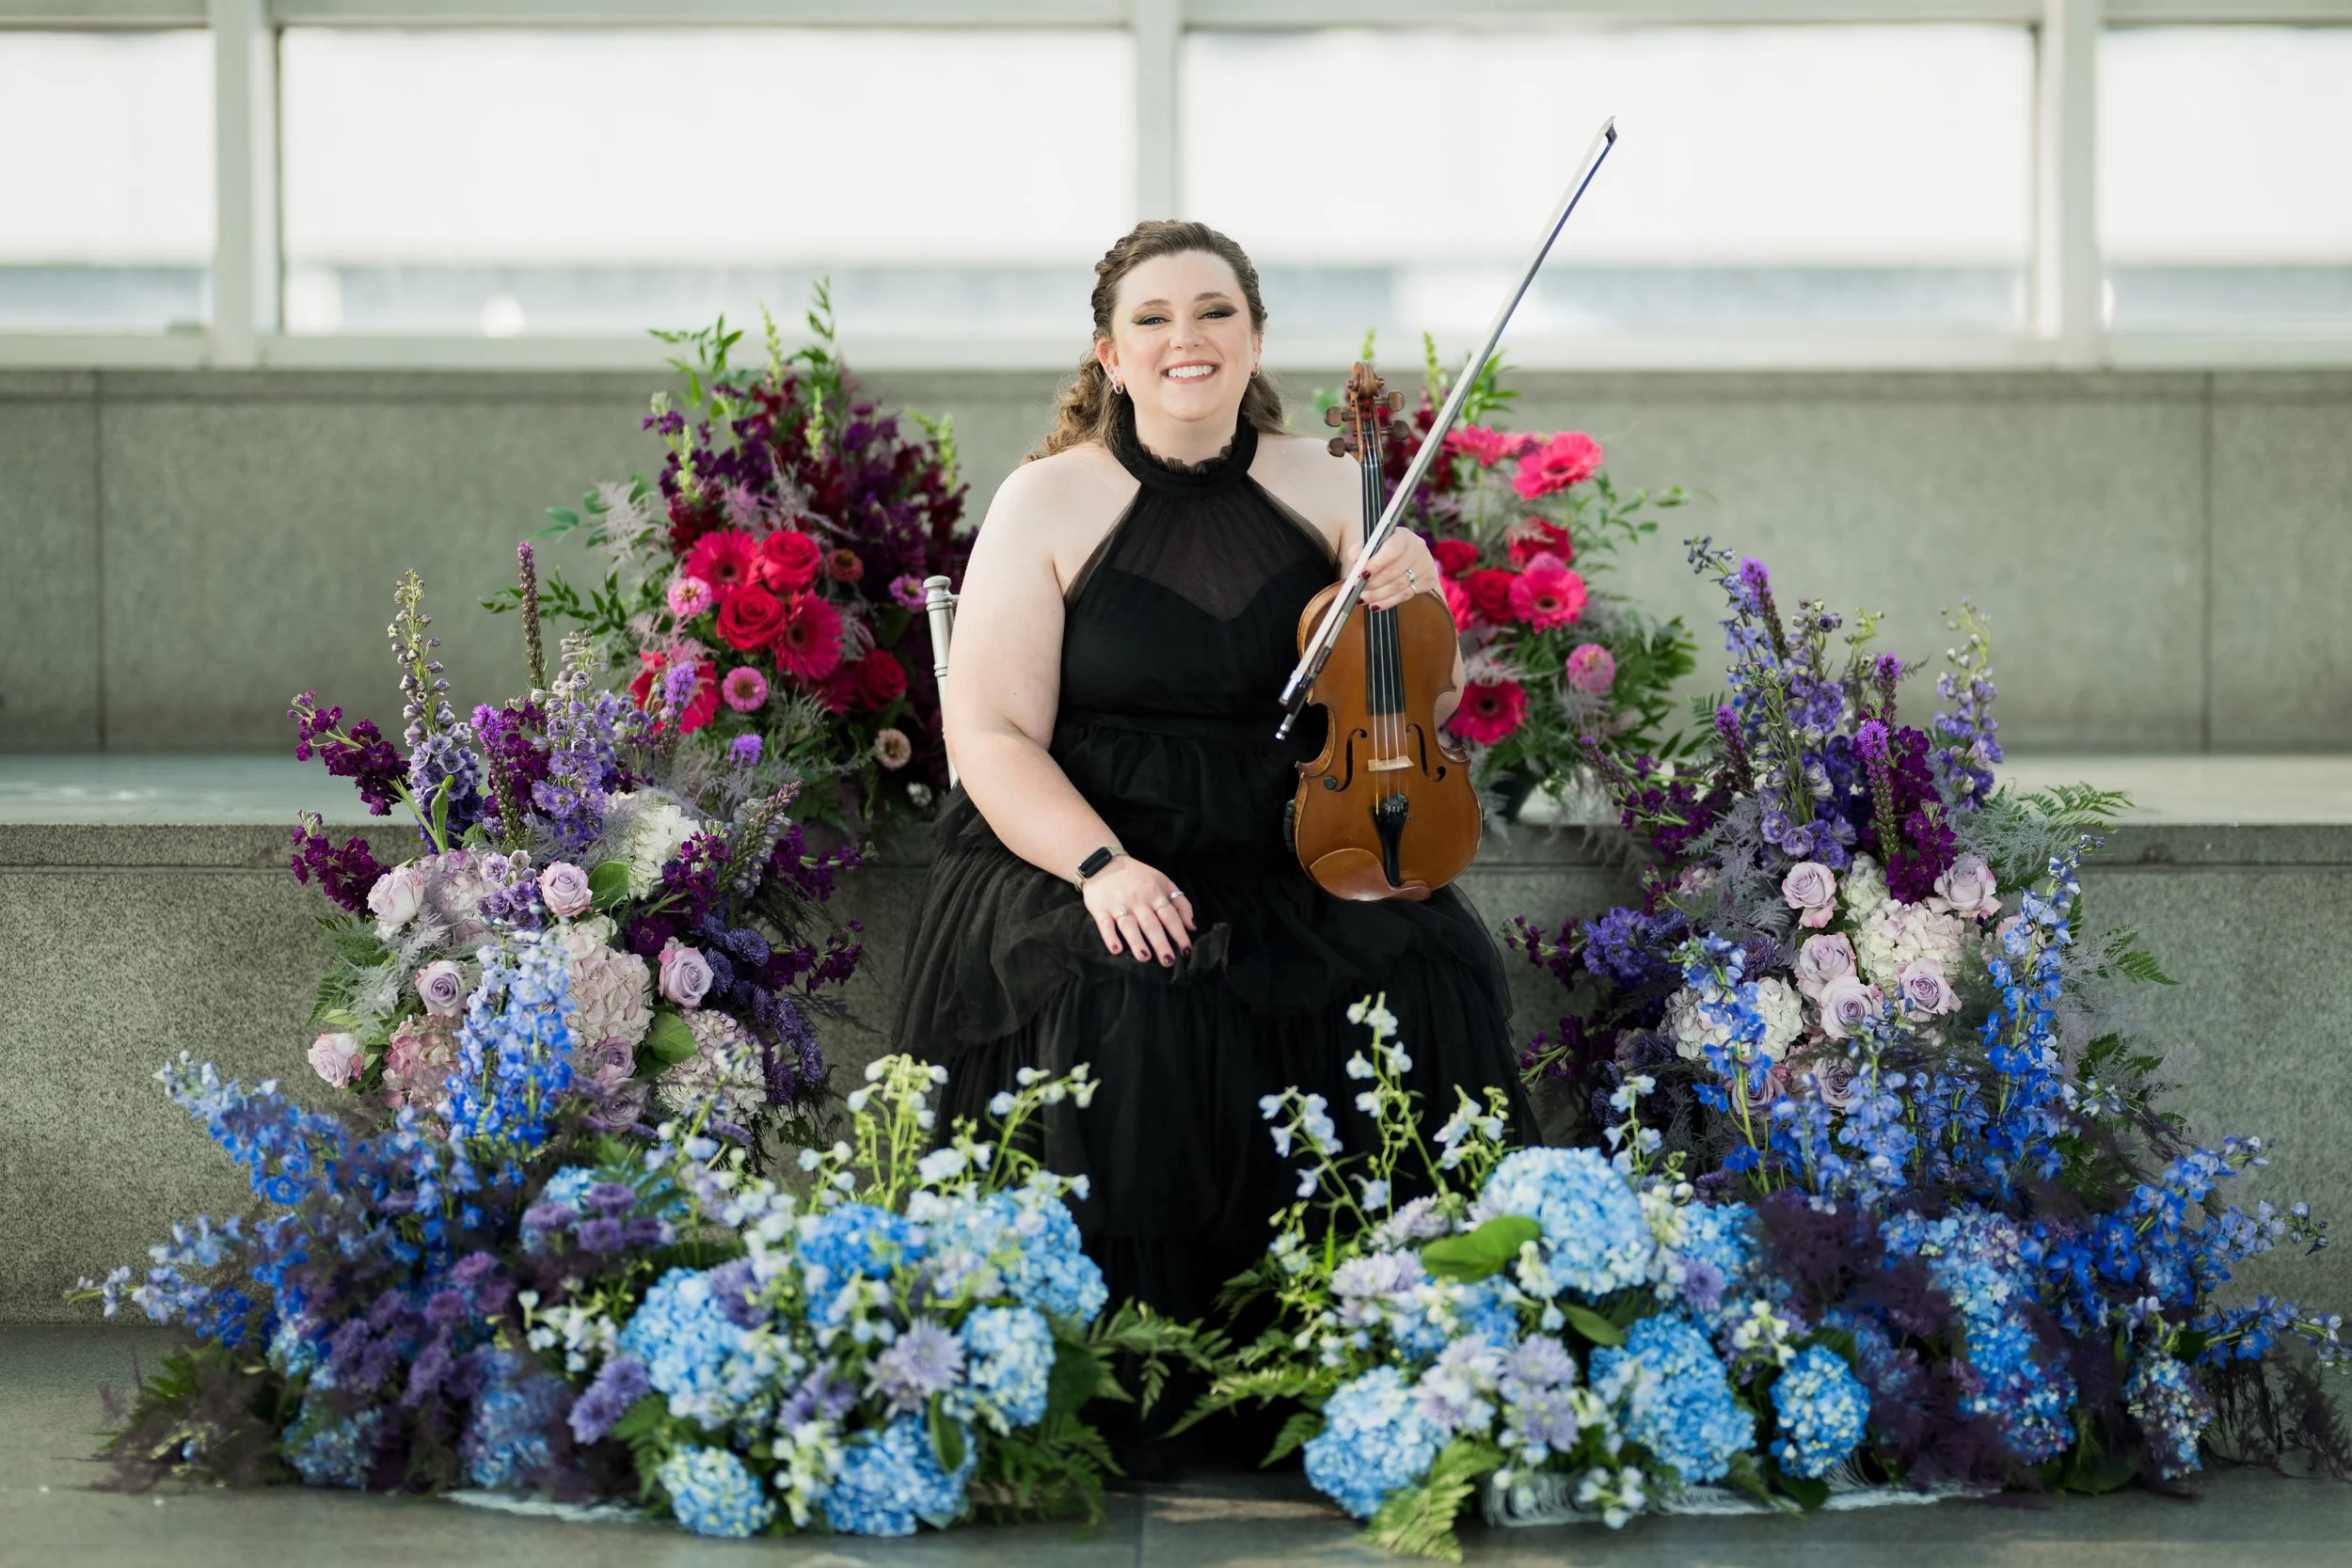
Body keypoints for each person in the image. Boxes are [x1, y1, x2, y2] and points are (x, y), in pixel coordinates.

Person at [890, 221, 1534, 1450]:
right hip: (1086, 837)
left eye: (1214, 311)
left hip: (1294, 826)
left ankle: (1374, 1368)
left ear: (1255, 336)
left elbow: (1417, 705)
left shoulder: (1334, 484)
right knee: (1129, 986)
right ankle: (1127, 1393)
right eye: (1153, 318)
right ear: (1109, 353)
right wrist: (1101, 868)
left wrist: (1418, 599)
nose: (1186, 337)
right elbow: (993, 734)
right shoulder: (1047, 500)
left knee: (1418, 967)